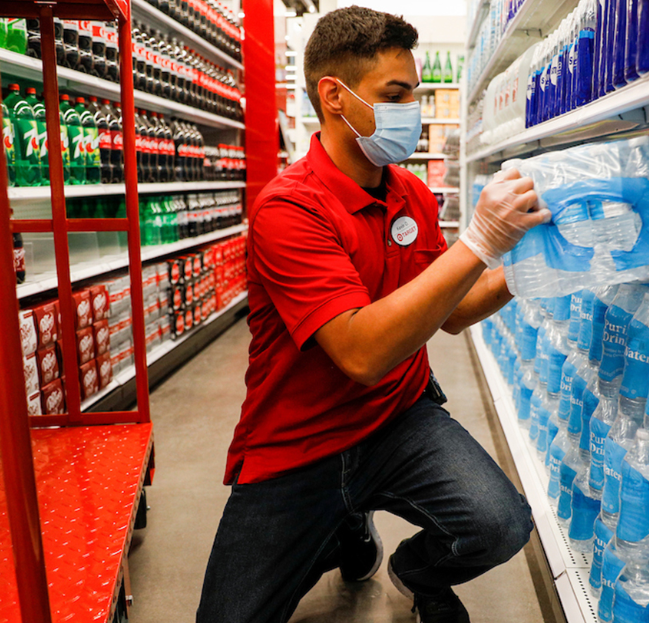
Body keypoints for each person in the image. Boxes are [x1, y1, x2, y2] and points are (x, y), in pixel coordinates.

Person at [197, 7, 551, 623]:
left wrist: (529, 267)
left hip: (396, 419)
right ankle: (343, 526)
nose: (412, 107)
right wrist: (479, 241)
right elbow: (360, 354)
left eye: (413, 91)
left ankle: (412, 573)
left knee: (501, 525)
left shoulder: (407, 190)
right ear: (335, 96)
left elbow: (454, 312)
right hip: (298, 442)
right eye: (396, 94)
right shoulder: (288, 210)